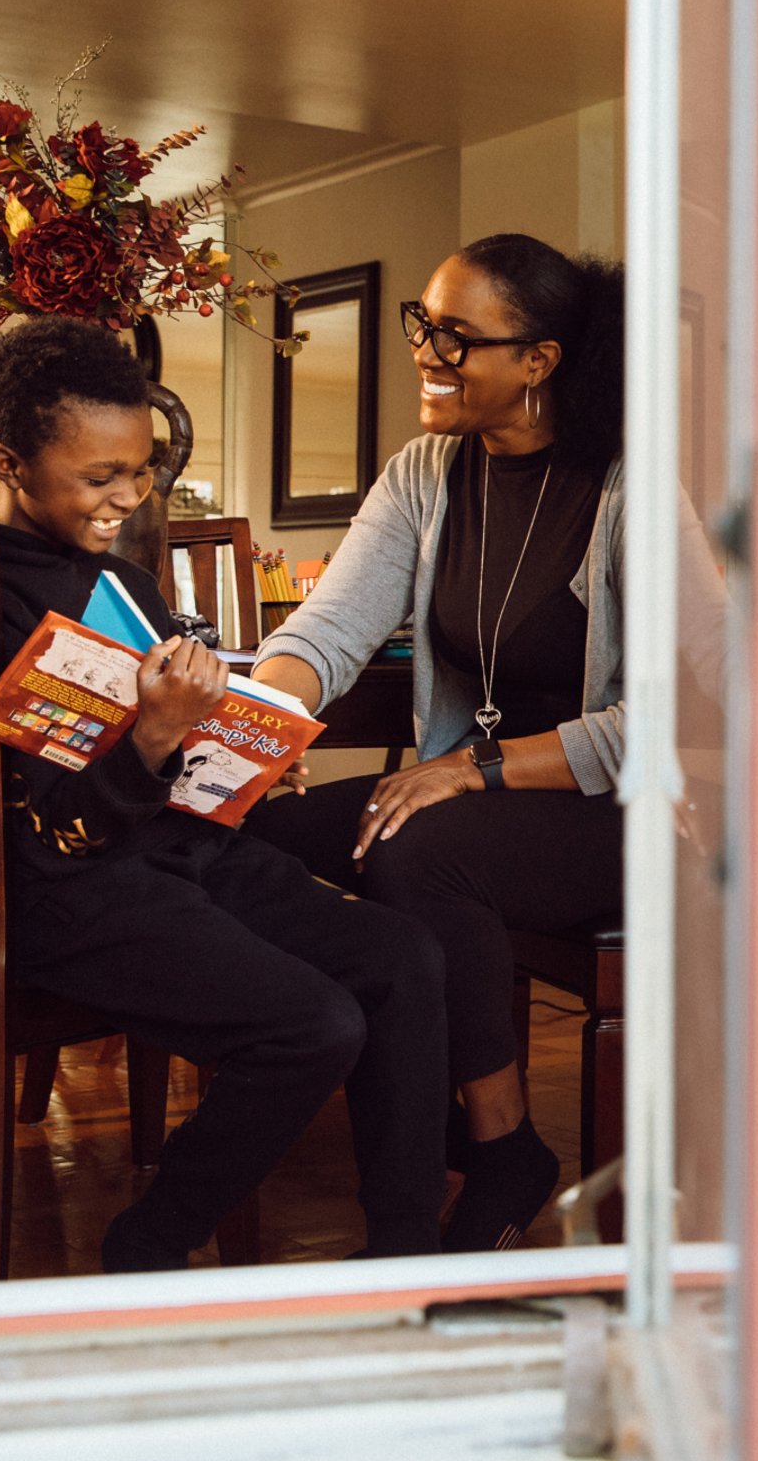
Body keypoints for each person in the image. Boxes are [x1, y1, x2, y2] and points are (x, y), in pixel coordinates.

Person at [0, 317, 449, 1271]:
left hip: (178, 854)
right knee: (312, 1026)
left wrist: (242, 758)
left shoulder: (129, 588)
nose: (127, 496)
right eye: (99, 475)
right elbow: (48, 831)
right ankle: (148, 1245)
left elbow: (172, 770)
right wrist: (154, 735)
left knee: (402, 956)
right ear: (9, 465)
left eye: (140, 471)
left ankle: (406, 1249)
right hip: (57, 887)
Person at [246, 233, 725, 1251]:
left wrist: (472, 767)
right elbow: (326, 633)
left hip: (616, 812)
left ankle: (499, 1146)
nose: (427, 353)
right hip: (473, 805)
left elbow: (687, 711)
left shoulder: (630, 490)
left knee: (417, 851)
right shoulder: (425, 475)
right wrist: (253, 727)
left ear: (538, 360)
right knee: (262, 835)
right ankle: (412, 1163)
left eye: (457, 337)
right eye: (423, 326)